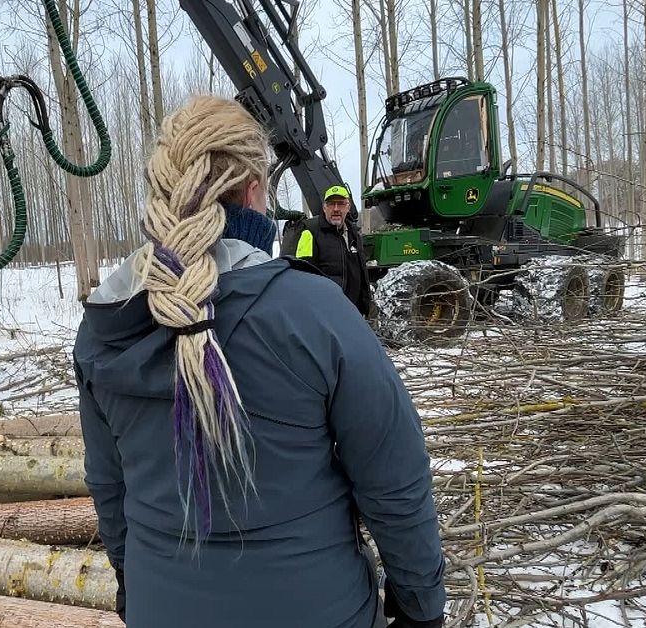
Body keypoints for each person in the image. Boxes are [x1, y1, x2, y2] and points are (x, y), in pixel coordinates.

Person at [74, 95, 445, 628]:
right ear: (253, 190)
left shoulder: (102, 327)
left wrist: (134, 586)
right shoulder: (315, 314)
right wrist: (419, 608)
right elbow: (395, 478)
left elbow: (109, 488)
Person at [283, 186, 373, 315]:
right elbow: (302, 275)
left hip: (352, 312)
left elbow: (361, 272)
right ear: (324, 207)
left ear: (348, 207)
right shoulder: (310, 231)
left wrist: (364, 306)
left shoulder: (354, 233)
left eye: (341, 204)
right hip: (326, 313)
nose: (336, 209)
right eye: (331, 204)